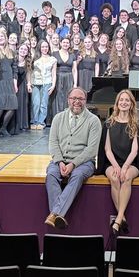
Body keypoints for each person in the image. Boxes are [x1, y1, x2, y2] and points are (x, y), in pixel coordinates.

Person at [45, 87, 101, 229]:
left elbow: (92, 150)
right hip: (60, 160)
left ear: (85, 101)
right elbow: (53, 143)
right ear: (68, 100)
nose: (77, 102)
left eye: (80, 99)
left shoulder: (93, 121)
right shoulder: (58, 118)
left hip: (84, 163)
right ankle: (58, 215)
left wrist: (73, 164)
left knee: (77, 175)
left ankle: (54, 213)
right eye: (73, 98)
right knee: (51, 174)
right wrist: (59, 162)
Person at [99, 90, 139, 235]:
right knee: (114, 177)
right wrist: (117, 166)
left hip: (131, 163)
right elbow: (107, 150)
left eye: (127, 100)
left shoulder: (136, 124)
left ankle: (118, 218)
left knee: (126, 178)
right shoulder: (109, 123)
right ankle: (121, 218)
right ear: (117, 103)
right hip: (112, 162)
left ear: (131, 104)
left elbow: (135, 151)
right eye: (121, 100)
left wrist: (124, 167)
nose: (124, 103)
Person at [0, 30, 18, 136]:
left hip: (9, 81)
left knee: (12, 106)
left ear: (5, 37)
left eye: (2, 36)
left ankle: (3, 128)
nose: (0, 38)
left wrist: (15, 83)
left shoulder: (11, 51)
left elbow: (15, 68)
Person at [31, 40, 57, 129]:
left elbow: (53, 73)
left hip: (47, 82)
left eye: (46, 47)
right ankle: (34, 121)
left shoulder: (53, 59)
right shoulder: (34, 58)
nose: (44, 48)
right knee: (36, 103)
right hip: (35, 82)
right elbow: (30, 71)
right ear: (39, 48)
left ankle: (41, 122)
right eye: (43, 47)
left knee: (43, 103)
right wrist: (29, 82)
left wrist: (53, 85)